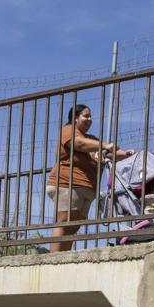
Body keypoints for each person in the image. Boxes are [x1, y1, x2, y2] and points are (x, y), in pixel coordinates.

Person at [46, 104, 132, 252]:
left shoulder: (91, 139)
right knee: (62, 222)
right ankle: (51, 261)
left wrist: (125, 154)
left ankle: (61, 259)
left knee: (73, 227)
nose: (90, 119)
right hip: (68, 184)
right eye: (86, 116)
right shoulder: (68, 130)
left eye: (91, 116)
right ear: (75, 118)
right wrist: (104, 145)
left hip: (86, 187)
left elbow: (107, 153)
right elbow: (79, 143)